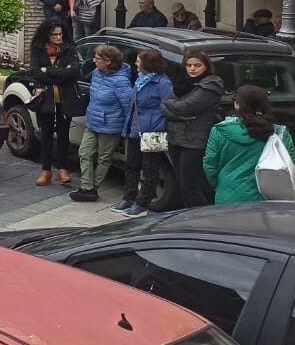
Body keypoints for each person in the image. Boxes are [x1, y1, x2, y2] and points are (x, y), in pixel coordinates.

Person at [205, 83, 295, 204]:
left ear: (237, 105)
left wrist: (220, 185)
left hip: (228, 198)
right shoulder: (280, 133)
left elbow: (210, 166)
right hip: (271, 199)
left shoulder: (219, 131)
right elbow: (294, 167)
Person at [71, 45, 133, 203]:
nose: (94, 61)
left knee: (104, 158)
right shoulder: (97, 74)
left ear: (108, 61)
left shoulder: (121, 81)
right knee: (84, 153)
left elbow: (128, 107)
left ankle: (92, 188)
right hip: (93, 121)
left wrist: (127, 129)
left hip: (110, 125)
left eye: (97, 58)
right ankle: (87, 186)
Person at [162, 50, 224, 208]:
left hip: (195, 141)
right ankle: (189, 216)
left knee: (191, 186)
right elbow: (163, 106)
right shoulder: (182, 83)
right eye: (189, 65)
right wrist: (176, 114)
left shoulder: (211, 84)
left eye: (197, 65)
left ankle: (202, 219)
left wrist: (172, 106)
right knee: (182, 184)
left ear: (206, 66)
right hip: (175, 138)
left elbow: (185, 107)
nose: (192, 69)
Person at [118, 50, 173, 217]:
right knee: (131, 164)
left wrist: (159, 125)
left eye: (138, 61)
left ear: (147, 64)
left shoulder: (162, 83)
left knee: (150, 168)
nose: (135, 64)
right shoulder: (140, 80)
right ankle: (129, 197)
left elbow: (168, 106)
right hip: (136, 127)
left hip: (154, 130)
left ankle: (143, 202)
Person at [27, 22, 81, 187]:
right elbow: (35, 72)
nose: (58, 37)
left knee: (63, 135)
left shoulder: (69, 49)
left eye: (60, 34)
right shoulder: (39, 50)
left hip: (65, 98)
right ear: (46, 35)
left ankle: (62, 168)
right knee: (46, 135)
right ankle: (46, 169)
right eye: (55, 35)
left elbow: (73, 72)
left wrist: (48, 70)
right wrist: (60, 74)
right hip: (46, 99)